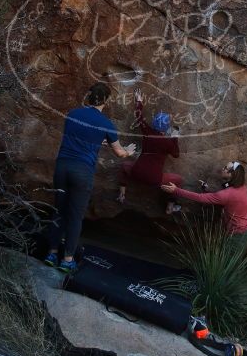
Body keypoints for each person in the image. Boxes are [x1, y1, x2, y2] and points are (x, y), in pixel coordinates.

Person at [46, 82, 137, 272]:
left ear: (88, 96)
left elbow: (77, 136)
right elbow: (119, 153)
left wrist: (96, 141)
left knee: (59, 211)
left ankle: (51, 253)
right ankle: (67, 260)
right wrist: (128, 151)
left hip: (62, 167)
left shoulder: (72, 114)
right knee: (75, 216)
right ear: (106, 100)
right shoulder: (106, 124)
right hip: (82, 171)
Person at [161, 161, 247, 251]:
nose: (222, 168)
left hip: (239, 238)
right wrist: (207, 189)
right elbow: (225, 197)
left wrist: (176, 190)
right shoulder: (242, 187)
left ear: (231, 174)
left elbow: (200, 197)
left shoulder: (226, 194)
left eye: (225, 168)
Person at [117, 88, 183, 214]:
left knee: (124, 166)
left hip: (137, 171)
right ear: (166, 128)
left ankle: (122, 194)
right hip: (154, 178)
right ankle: (170, 206)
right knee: (178, 180)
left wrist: (139, 100)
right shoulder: (167, 143)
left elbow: (139, 117)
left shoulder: (147, 132)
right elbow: (176, 154)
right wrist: (175, 137)